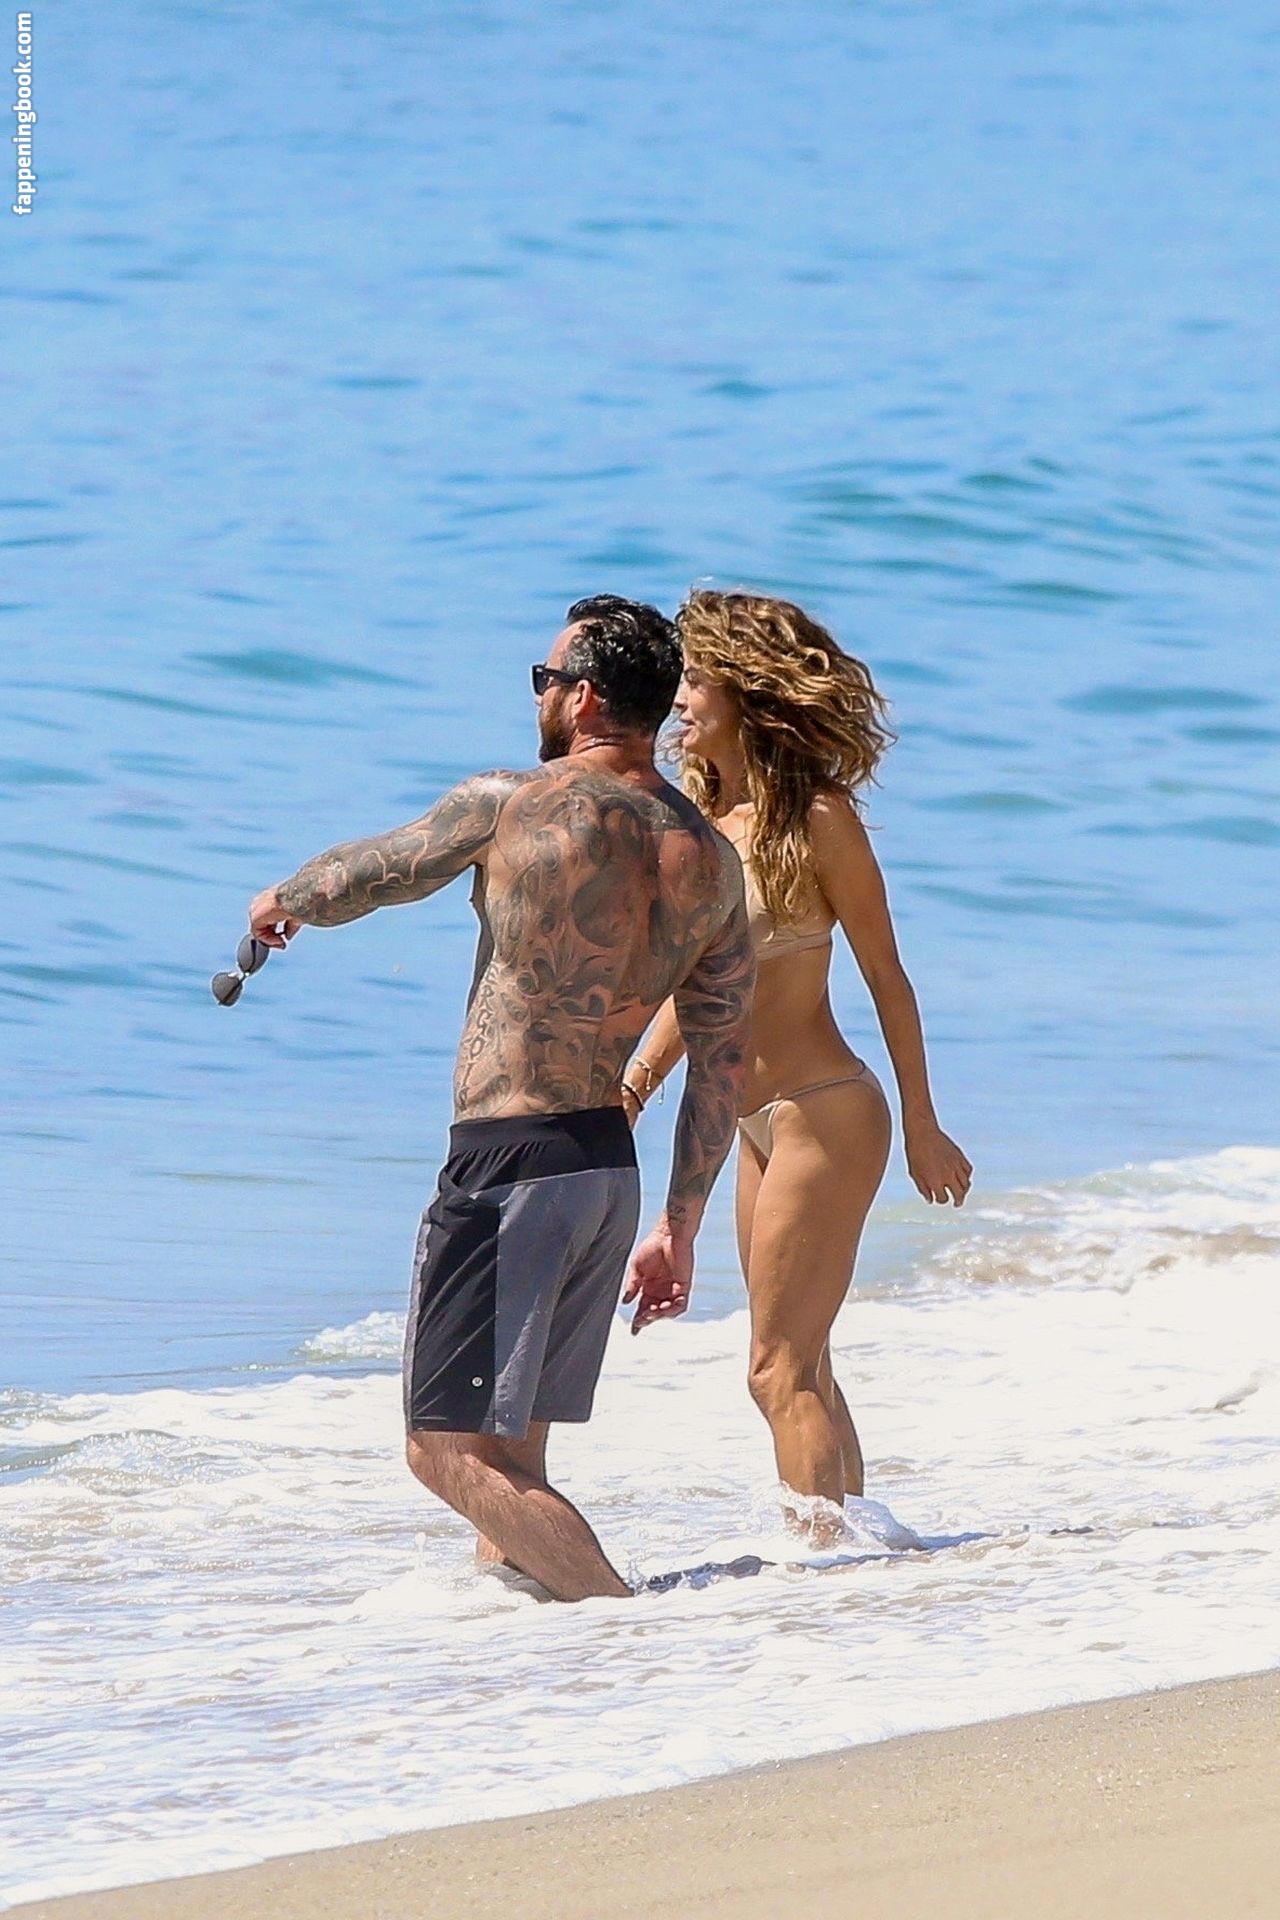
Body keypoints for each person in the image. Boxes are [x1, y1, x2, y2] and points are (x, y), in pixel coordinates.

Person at [246, 596, 754, 1602]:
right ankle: (526, 1653)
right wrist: (680, 1225)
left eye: (544, 679)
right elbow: (722, 1059)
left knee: (443, 1451)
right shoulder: (709, 857)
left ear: (585, 698)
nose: (539, 696)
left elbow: (375, 873)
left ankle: (622, 1622)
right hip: (604, 1172)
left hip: (510, 1165)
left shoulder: (514, 804)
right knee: (513, 1457)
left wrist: (282, 901)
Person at [622, 590, 970, 1539]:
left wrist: (924, 1123)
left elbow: (888, 977)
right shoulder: (702, 818)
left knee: (773, 1370)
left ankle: (820, 1574)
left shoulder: (816, 820)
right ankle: (861, 1557)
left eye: (696, 678)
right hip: (753, 1124)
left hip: (827, 1109)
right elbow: (698, 991)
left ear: (744, 691)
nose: (679, 698)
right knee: (804, 1362)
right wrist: (634, 1090)